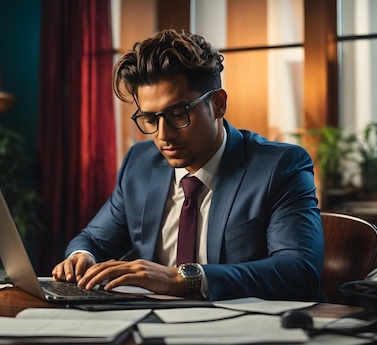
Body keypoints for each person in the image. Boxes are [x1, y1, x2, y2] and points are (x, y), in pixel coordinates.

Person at [52, 28, 325, 302]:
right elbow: (95, 240)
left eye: (177, 114)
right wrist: (81, 257)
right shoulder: (140, 165)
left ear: (218, 104)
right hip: (154, 330)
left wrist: (182, 279)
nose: (163, 135)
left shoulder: (279, 166)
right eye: (149, 118)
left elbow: (298, 271)